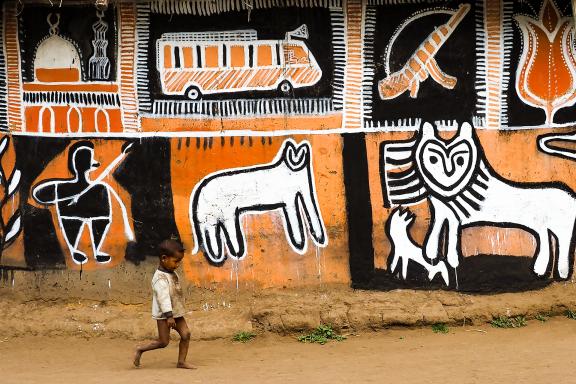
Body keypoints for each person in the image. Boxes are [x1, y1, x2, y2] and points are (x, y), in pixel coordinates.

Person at [133, 239, 195, 369]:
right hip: (165, 315)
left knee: (186, 334)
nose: (178, 264)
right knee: (163, 342)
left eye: (179, 261)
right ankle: (140, 349)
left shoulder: (171, 272)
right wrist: (169, 316)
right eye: (176, 261)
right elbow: (163, 298)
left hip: (176, 313)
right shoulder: (160, 278)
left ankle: (181, 362)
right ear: (164, 258)